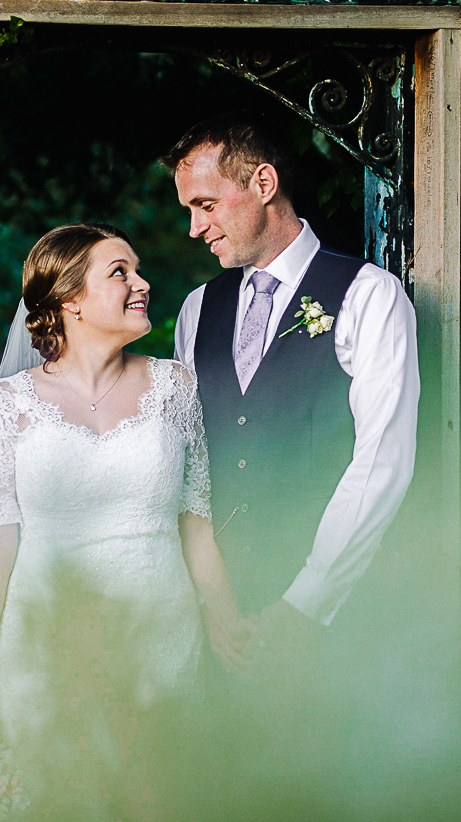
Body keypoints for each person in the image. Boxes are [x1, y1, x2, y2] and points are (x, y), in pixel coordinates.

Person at [0, 223, 248, 822]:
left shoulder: (175, 388)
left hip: (162, 640)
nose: (141, 284)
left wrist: (226, 621)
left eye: (138, 270)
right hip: (46, 642)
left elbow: (198, 525)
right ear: (70, 299)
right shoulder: (7, 408)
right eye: (120, 272)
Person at [162, 112, 419, 706]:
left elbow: (383, 460)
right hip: (220, 623)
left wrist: (305, 604)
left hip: (337, 616)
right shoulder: (197, 308)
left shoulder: (368, 295)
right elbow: (190, 468)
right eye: (188, 211)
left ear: (263, 183)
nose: (195, 228)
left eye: (205, 205)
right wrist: (212, 606)